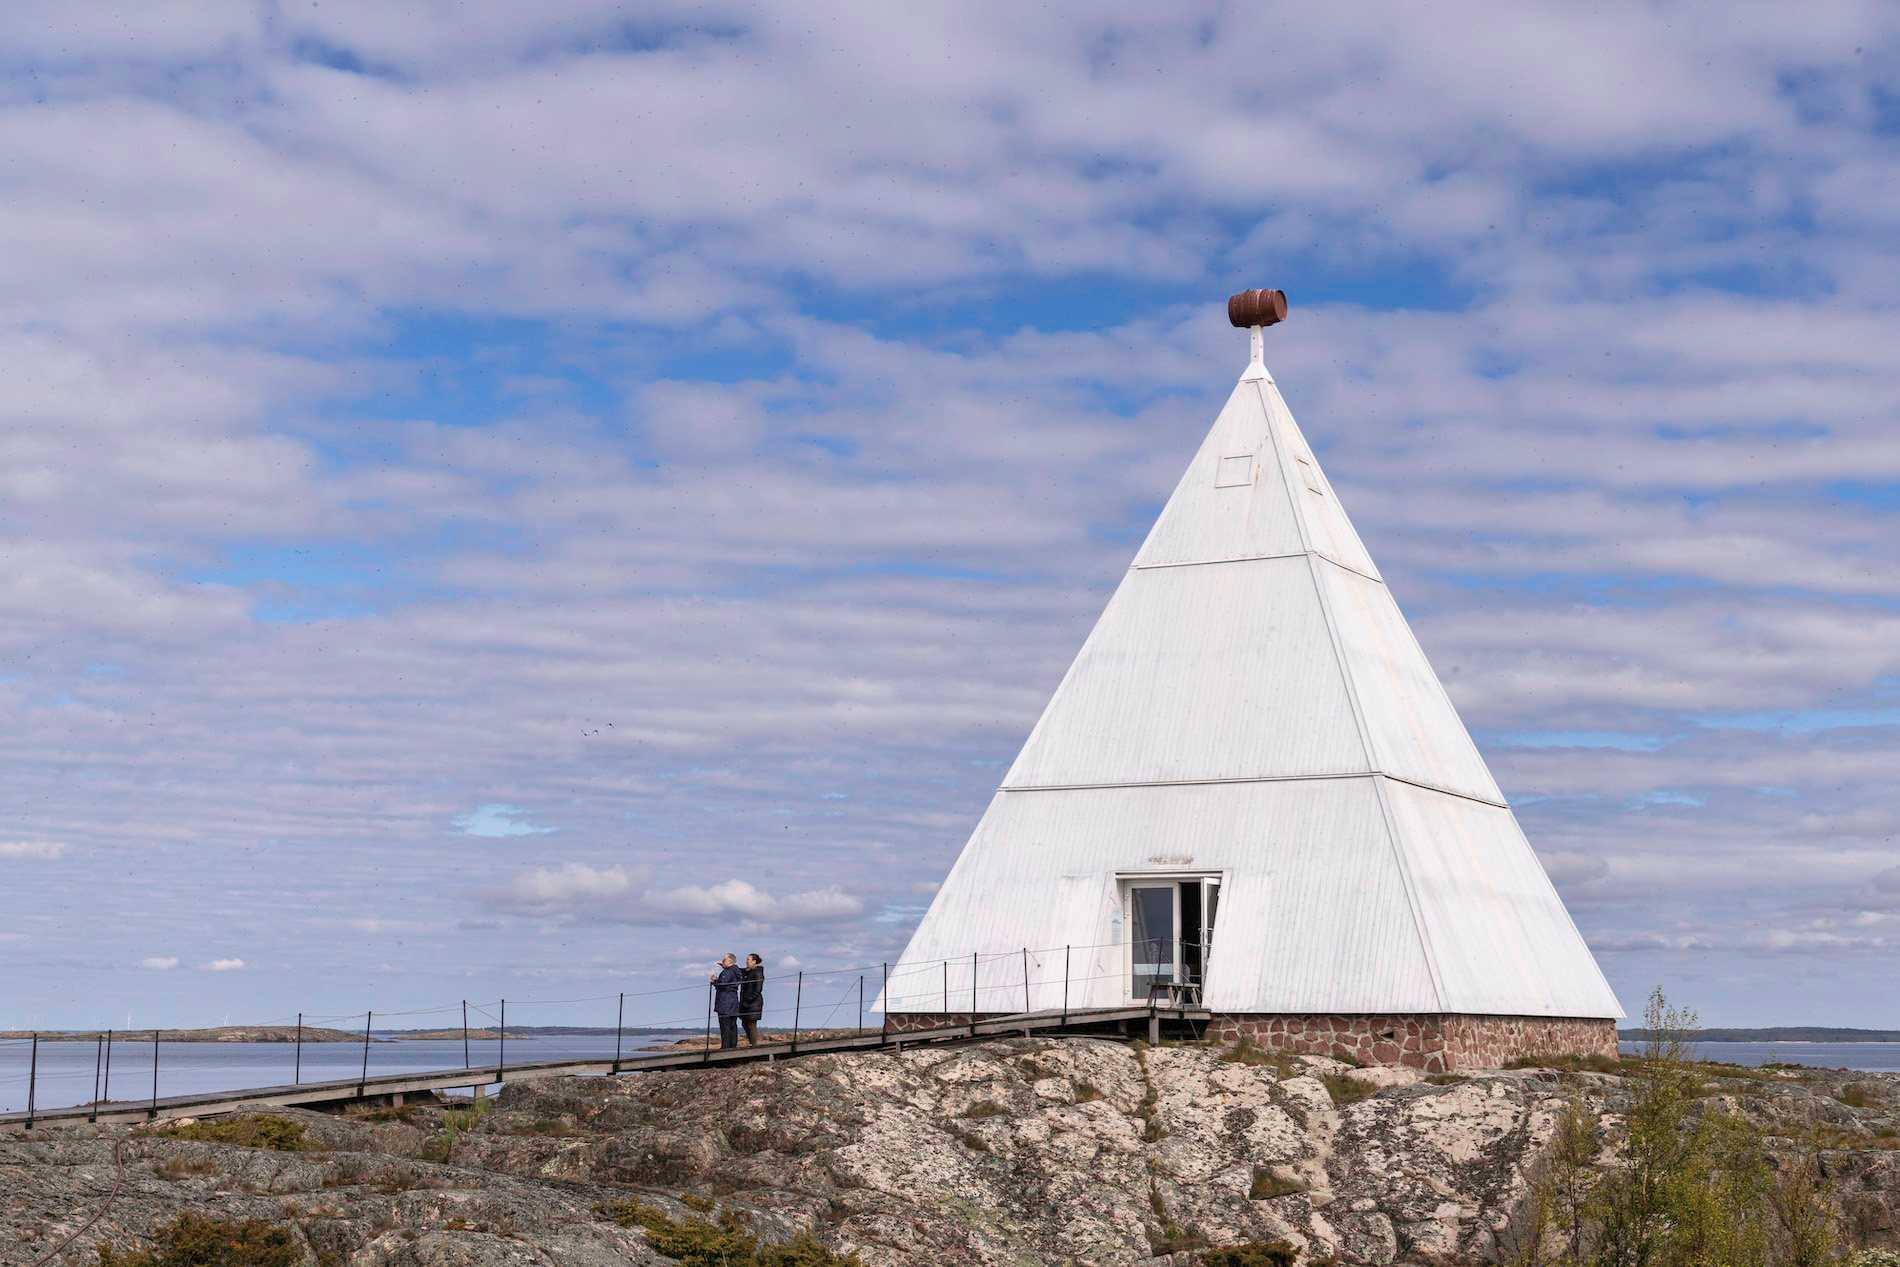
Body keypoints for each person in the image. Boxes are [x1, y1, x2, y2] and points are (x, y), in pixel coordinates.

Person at [710, 953, 742, 1050]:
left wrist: (714, 981)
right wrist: (724, 967)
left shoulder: (727, 972)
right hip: (733, 1001)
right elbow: (729, 982)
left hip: (725, 1002)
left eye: (724, 960)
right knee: (732, 1025)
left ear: (730, 961)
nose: (722, 961)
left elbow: (722, 984)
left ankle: (725, 1048)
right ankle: (732, 1046)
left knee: (725, 1026)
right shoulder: (735, 970)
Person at [738, 953, 765, 1046]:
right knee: (744, 1023)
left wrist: (748, 1000)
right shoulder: (748, 971)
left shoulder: (757, 972)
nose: (746, 961)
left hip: (753, 1003)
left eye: (748, 959)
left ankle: (754, 1046)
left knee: (751, 1024)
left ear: (754, 961)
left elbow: (758, 989)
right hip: (746, 1003)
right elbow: (740, 970)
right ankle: (752, 1043)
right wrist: (729, 966)